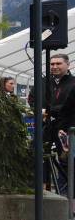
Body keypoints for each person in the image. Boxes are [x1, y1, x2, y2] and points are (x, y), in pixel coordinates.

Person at [45, 53, 75, 194]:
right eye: (52, 64)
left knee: (68, 161)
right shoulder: (46, 82)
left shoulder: (73, 82)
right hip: (51, 129)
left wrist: (56, 111)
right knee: (54, 159)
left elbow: (69, 106)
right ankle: (59, 191)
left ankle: (67, 193)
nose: (55, 67)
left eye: (58, 64)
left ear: (68, 65)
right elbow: (33, 99)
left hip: (69, 129)